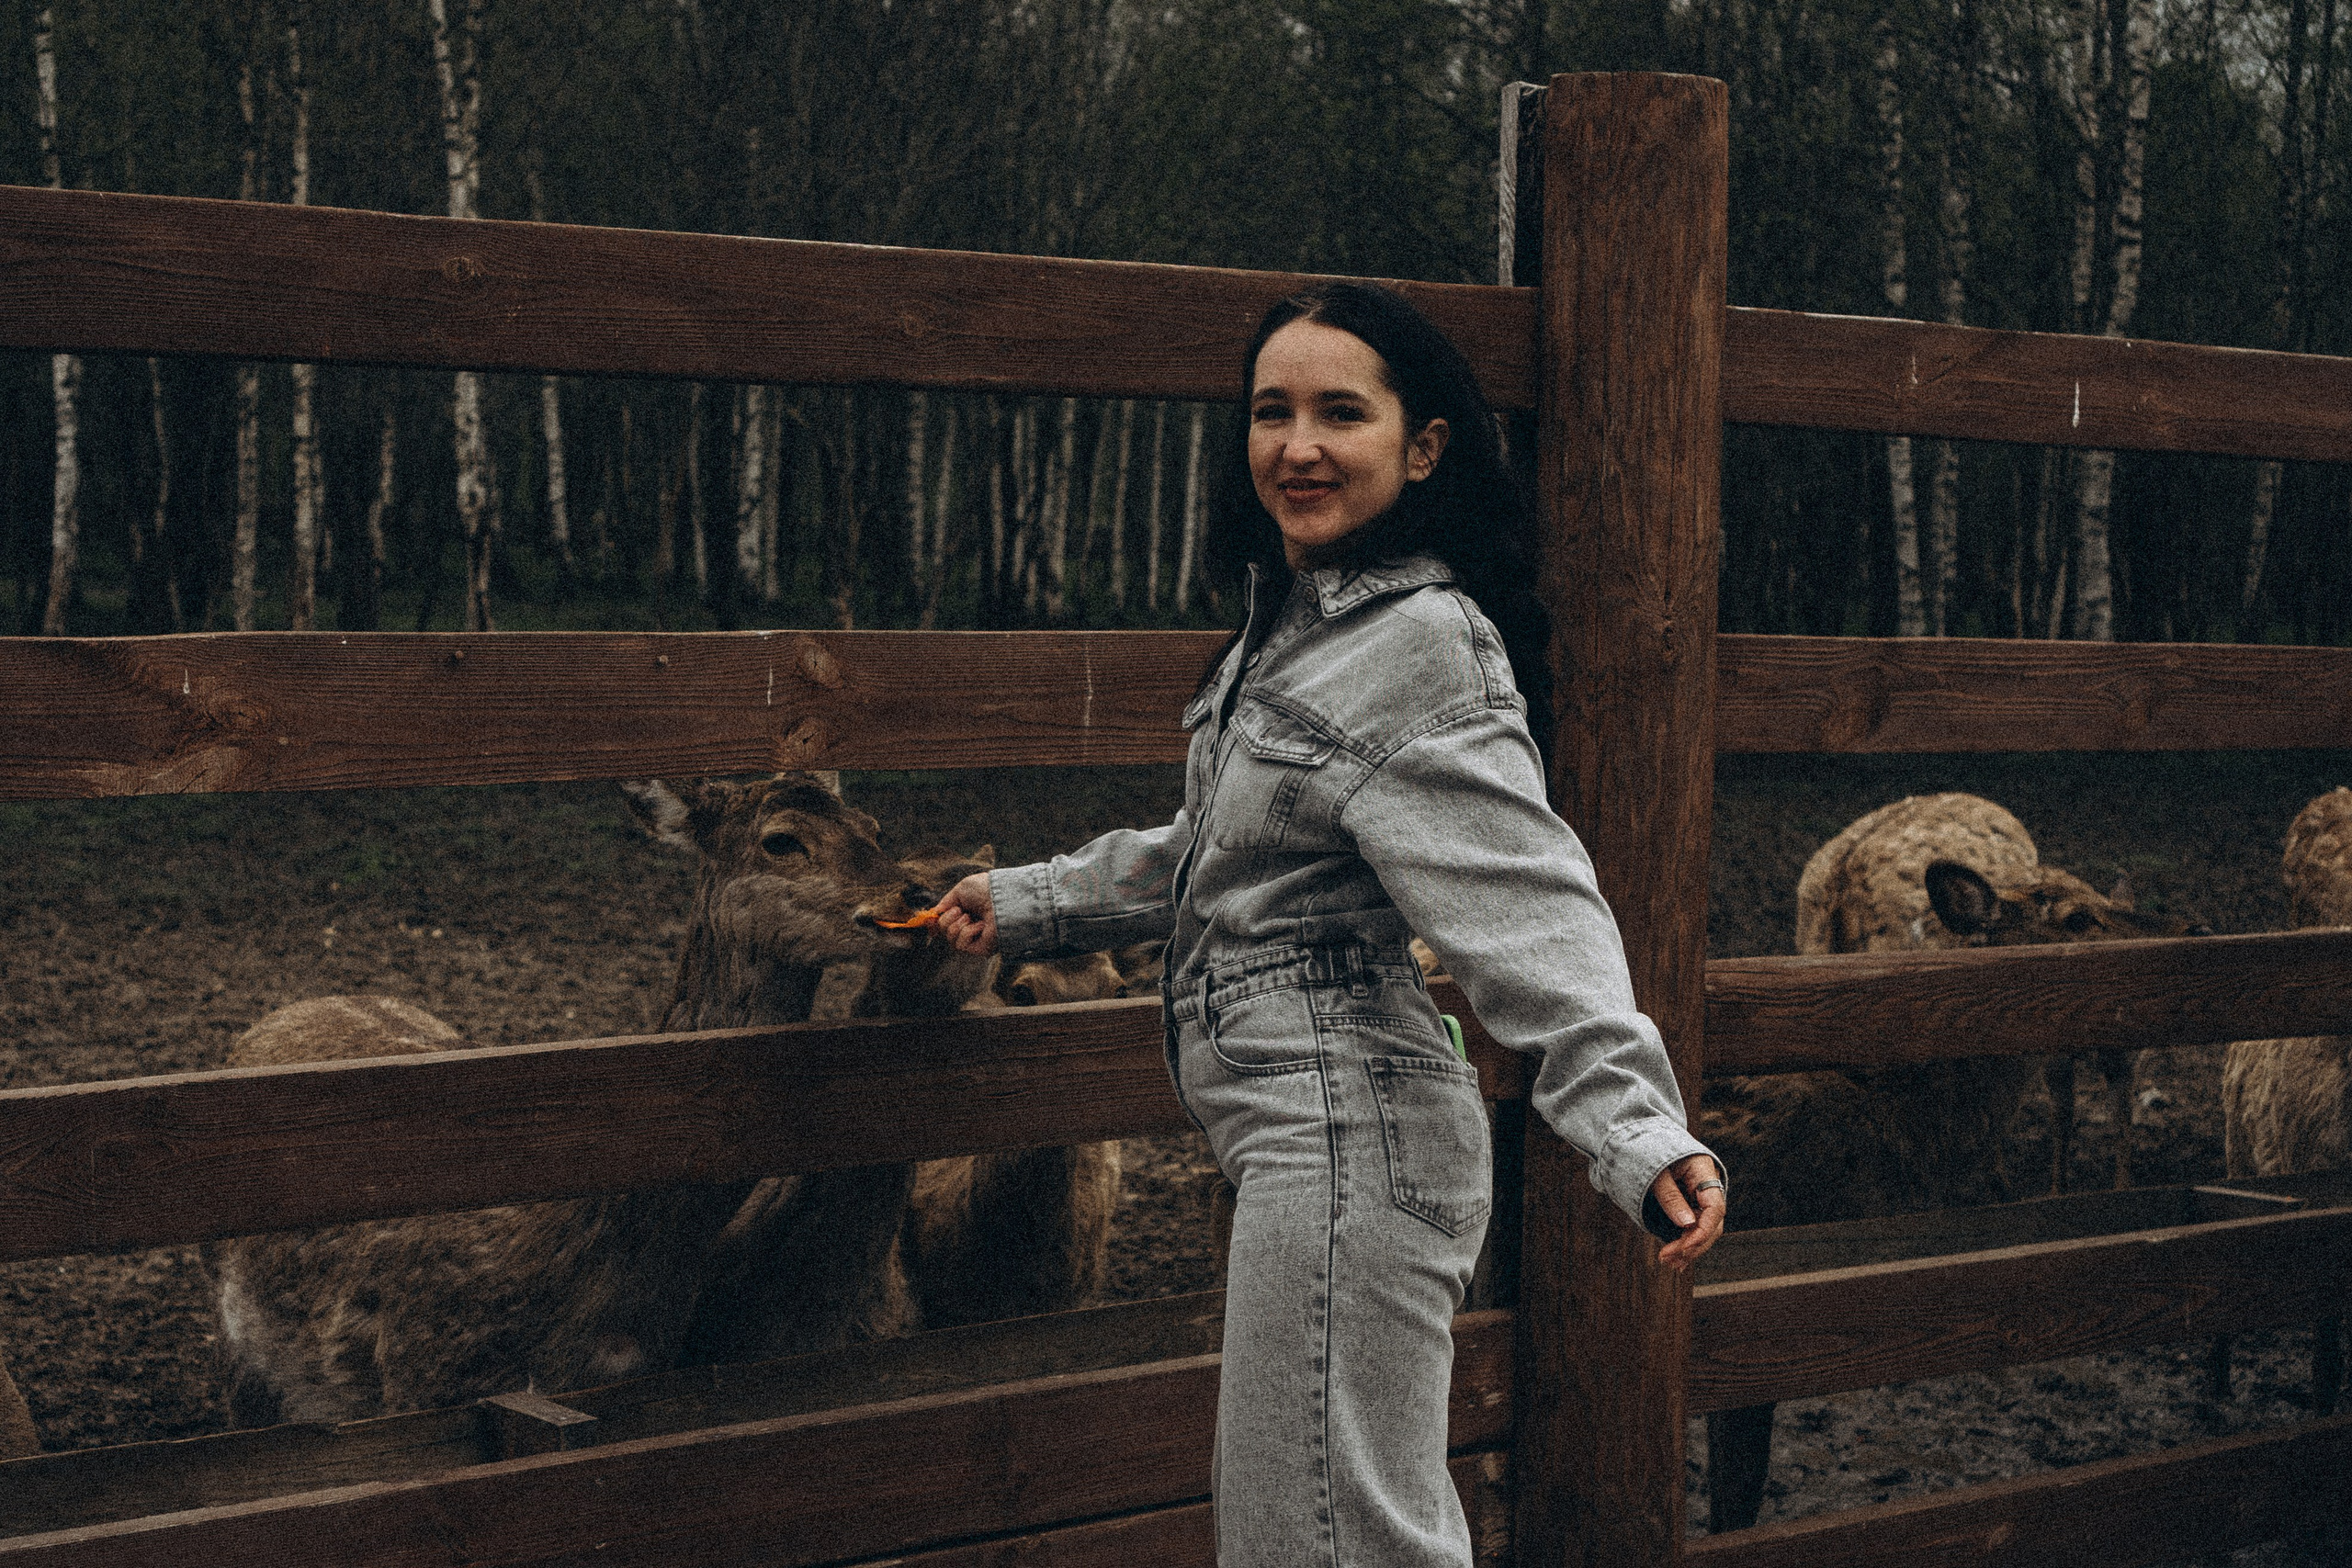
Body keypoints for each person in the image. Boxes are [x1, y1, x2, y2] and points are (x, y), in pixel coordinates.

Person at [929, 280, 1725, 1568]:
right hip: (1321, 1139)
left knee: (1328, 1545)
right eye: (1271, 412)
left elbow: (1528, 901)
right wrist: (1027, 902)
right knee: (1320, 1536)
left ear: (1424, 447)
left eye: (1341, 414)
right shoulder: (1297, 627)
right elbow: (1223, 858)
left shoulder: (1419, 645)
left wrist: (1633, 1123)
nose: (1297, 446)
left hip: (1351, 1145)